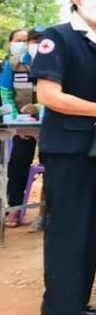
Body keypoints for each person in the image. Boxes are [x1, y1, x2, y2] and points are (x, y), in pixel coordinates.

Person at [32, 0, 96, 315]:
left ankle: (77, 299)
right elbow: (48, 95)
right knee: (67, 225)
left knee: (90, 225)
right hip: (68, 146)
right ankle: (58, 307)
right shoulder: (59, 37)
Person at [1, 28, 37, 228]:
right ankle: (14, 209)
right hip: (22, 127)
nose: (24, 44)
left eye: (27, 40)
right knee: (18, 164)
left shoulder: (50, 60)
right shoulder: (12, 64)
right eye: (19, 40)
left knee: (53, 166)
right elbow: (6, 93)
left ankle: (46, 214)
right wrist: (17, 122)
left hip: (49, 124)